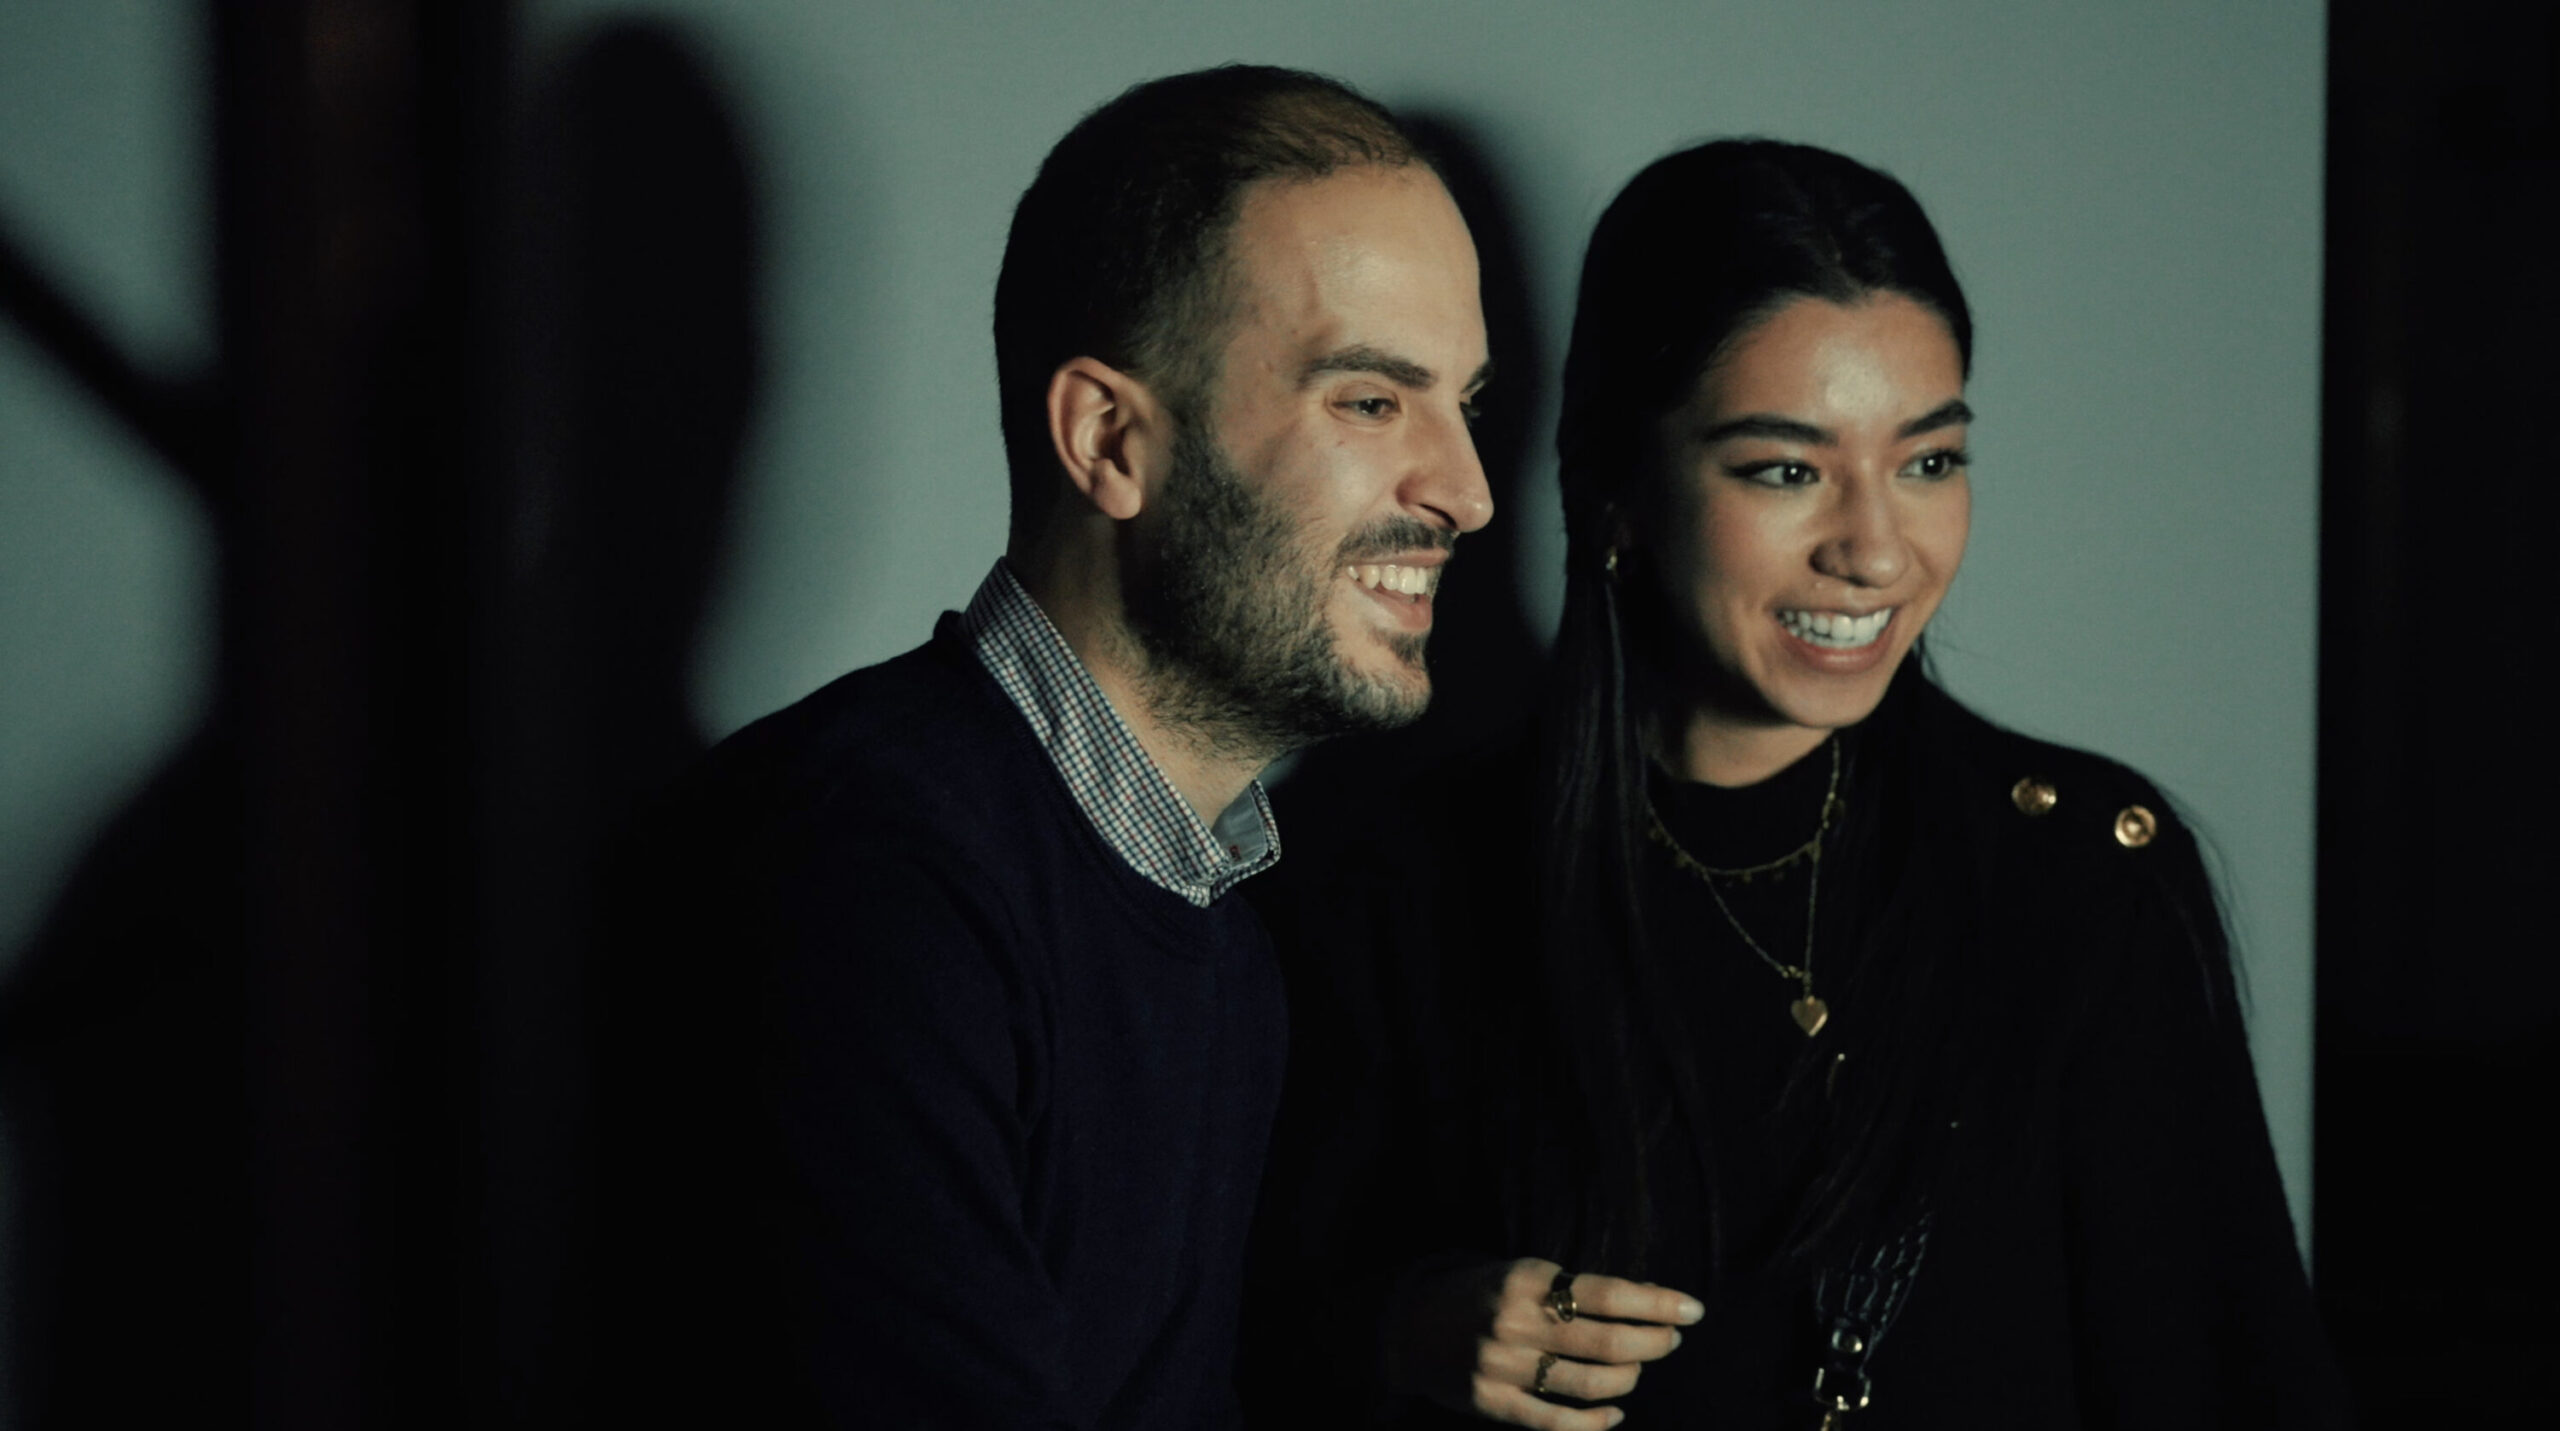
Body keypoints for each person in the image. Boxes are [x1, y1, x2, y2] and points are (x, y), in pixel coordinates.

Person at [1243, 139, 2348, 1429]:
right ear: (1621, 491)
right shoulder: (1392, 880)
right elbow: (1222, 1336)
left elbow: (2235, 1386)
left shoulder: (2083, 879)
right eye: (1787, 469)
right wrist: (1404, 1331)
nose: (1876, 551)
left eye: (1928, 461)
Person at [604, 65, 1494, 1428]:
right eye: (1370, 400)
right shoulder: (863, 877)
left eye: (1466, 403)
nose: (1467, 492)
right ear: (1108, 440)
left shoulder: (1219, 944)